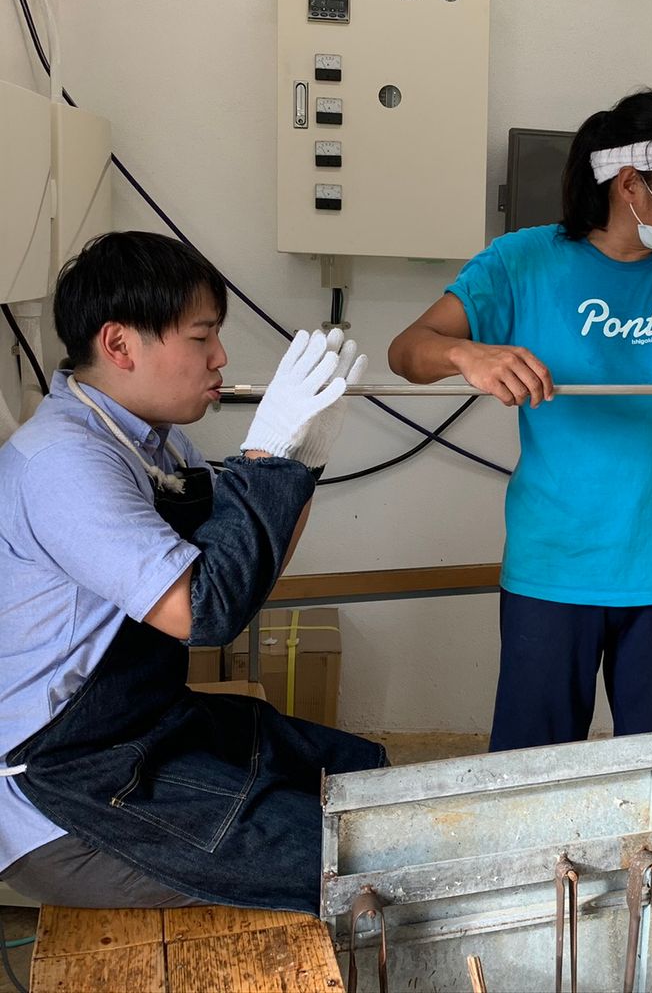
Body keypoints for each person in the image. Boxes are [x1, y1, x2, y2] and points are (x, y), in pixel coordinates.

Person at [388, 89, 652, 992]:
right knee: (533, 771)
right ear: (633, 183)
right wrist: (468, 354)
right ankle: (523, 946)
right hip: (553, 570)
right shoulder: (520, 263)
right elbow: (407, 350)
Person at [0, 230, 384, 913]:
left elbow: (244, 570)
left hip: (146, 727)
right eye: (202, 336)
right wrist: (265, 457)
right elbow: (206, 614)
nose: (221, 357)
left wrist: (304, 461)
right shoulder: (64, 462)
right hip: (64, 785)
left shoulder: (156, 441)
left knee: (363, 776)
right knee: (354, 857)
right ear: (120, 344)